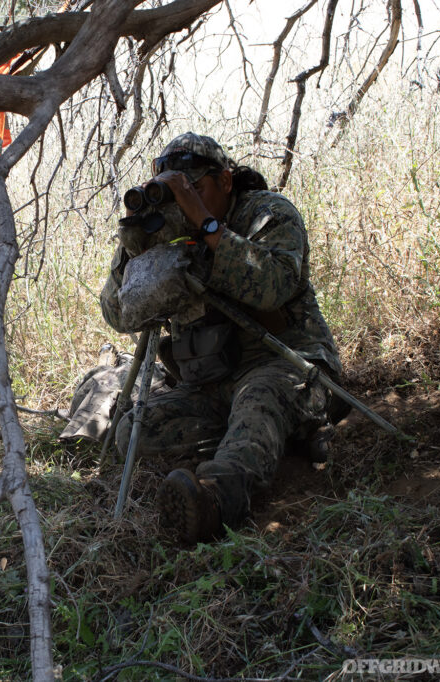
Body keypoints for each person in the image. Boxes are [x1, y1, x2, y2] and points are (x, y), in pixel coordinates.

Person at [99, 132, 343, 547]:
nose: (183, 199)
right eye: (175, 190)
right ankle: (281, 436)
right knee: (133, 433)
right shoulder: (168, 233)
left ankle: (216, 497)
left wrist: (207, 225)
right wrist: (132, 252)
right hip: (212, 383)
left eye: (194, 186)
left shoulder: (267, 213)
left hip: (284, 364)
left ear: (226, 181)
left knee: (260, 402)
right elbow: (118, 316)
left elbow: (273, 286)